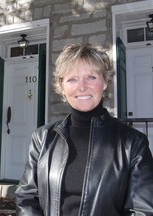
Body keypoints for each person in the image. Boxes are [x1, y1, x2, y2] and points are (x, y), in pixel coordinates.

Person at [15, 43, 153, 215]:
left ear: (105, 82)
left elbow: (142, 210)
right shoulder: (43, 138)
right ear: (62, 87)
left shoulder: (132, 143)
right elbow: (26, 198)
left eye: (91, 77)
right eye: (72, 79)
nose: (82, 87)